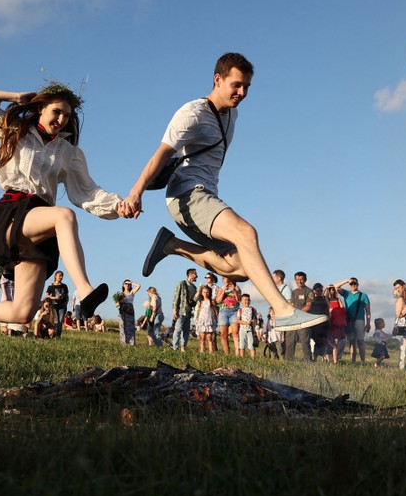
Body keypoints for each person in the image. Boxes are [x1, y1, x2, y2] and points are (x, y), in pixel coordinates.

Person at [124, 53, 325, 334]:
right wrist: (136, 193)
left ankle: (171, 245)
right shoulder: (192, 113)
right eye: (236, 85)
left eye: (247, 87)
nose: (242, 93)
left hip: (206, 195)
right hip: (187, 195)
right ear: (218, 79)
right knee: (246, 233)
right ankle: (282, 311)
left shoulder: (233, 114)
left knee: (240, 269)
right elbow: (161, 153)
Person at [0, 83, 130, 342]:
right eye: (57, 112)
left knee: (23, 312)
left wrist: (118, 205)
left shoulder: (69, 153)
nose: (61, 120)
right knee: (65, 216)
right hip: (13, 213)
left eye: (67, 116)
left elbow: (87, 192)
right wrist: (14, 97)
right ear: (40, 108)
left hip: (41, 224)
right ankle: (85, 292)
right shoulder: (13, 129)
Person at [334, 277, 372, 364]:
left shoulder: (364, 296)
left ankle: (363, 361)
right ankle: (353, 362)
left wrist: (368, 323)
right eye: (351, 284)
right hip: (349, 320)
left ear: (358, 284)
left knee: (360, 341)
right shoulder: (346, 293)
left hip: (360, 320)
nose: (353, 285)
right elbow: (335, 287)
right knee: (351, 342)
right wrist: (346, 281)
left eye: (355, 283)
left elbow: (368, 311)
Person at [284, 272, 315, 361]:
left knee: (305, 342)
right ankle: (289, 361)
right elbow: (292, 305)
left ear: (305, 280)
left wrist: (298, 313)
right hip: (293, 320)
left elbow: (308, 306)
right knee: (290, 340)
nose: (299, 281)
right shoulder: (294, 292)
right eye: (297, 279)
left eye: (301, 279)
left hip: (304, 320)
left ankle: (308, 361)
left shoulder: (309, 291)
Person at [171, 268, 198, 352]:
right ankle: (175, 347)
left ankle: (183, 346)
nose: (197, 276)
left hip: (189, 311)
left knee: (186, 330)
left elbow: (194, 300)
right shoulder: (181, 284)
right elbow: (176, 296)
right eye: (195, 274)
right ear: (190, 274)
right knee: (178, 329)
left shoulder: (194, 287)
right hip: (181, 310)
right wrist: (174, 309)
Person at [216, 276, 242, 355]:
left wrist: (234, 290)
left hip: (234, 311)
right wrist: (223, 292)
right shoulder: (221, 288)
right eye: (224, 278)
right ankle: (227, 353)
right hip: (223, 311)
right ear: (223, 280)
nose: (226, 280)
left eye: (228, 278)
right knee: (223, 334)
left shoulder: (237, 288)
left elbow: (239, 300)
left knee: (235, 332)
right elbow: (218, 301)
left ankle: (237, 353)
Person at [306, 283, 330, 361]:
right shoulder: (311, 298)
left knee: (323, 341)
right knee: (315, 341)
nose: (319, 291)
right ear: (314, 291)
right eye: (318, 290)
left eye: (321, 290)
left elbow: (328, 308)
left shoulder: (324, 298)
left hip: (324, 324)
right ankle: (314, 358)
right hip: (314, 323)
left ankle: (324, 358)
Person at [325, 284, 348, 364]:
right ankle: (329, 357)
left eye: (333, 289)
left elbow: (343, 309)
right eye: (330, 289)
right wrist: (326, 288)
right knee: (330, 340)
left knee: (338, 340)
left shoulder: (338, 299)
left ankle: (336, 357)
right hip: (330, 321)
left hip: (337, 321)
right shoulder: (327, 299)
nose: (332, 290)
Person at [116, 280, 140, 346]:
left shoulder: (131, 292)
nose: (127, 285)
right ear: (123, 285)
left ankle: (131, 344)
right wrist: (121, 301)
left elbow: (139, 286)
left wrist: (131, 282)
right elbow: (116, 305)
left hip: (130, 309)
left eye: (128, 284)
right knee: (123, 326)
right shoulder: (120, 294)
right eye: (126, 284)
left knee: (130, 326)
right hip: (123, 309)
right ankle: (123, 344)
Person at [45, 270, 69, 338]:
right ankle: (53, 335)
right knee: (56, 321)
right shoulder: (51, 286)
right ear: (55, 276)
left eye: (62, 276)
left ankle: (58, 336)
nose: (61, 277)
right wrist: (54, 297)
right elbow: (47, 295)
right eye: (59, 276)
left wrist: (66, 303)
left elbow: (67, 296)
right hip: (53, 306)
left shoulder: (64, 286)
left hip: (62, 306)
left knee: (60, 321)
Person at [391, 279, 406, 370]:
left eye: (398, 287)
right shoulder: (399, 298)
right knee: (402, 347)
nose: (397, 290)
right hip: (401, 325)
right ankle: (401, 366)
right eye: (396, 288)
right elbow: (397, 314)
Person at [194, 284, 217, 353]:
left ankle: (211, 351)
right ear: (202, 293)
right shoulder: (200, 302)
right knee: (202, 337)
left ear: (209, 293)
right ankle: (202, 351)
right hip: (201, 321)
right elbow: (198, 311)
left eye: (207, 292)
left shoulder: (211, 301)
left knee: (209, 337)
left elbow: (215, 311)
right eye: (204, 292)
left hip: (209, 321)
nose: (206, 294)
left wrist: (216, 319)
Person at [236, 293, 259, 358]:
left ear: (250, 301)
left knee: (252, 346)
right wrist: (246, 323)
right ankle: (242, 359)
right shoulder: (240, 310)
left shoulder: (253, 310)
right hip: (242, 330)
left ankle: (253, 358)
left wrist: (252, 321)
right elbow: (238, 320)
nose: (247, 301)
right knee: (242, 345)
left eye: (248, 300)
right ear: (242, 301)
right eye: (245, 300)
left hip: (251, 330)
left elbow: (256, 319)